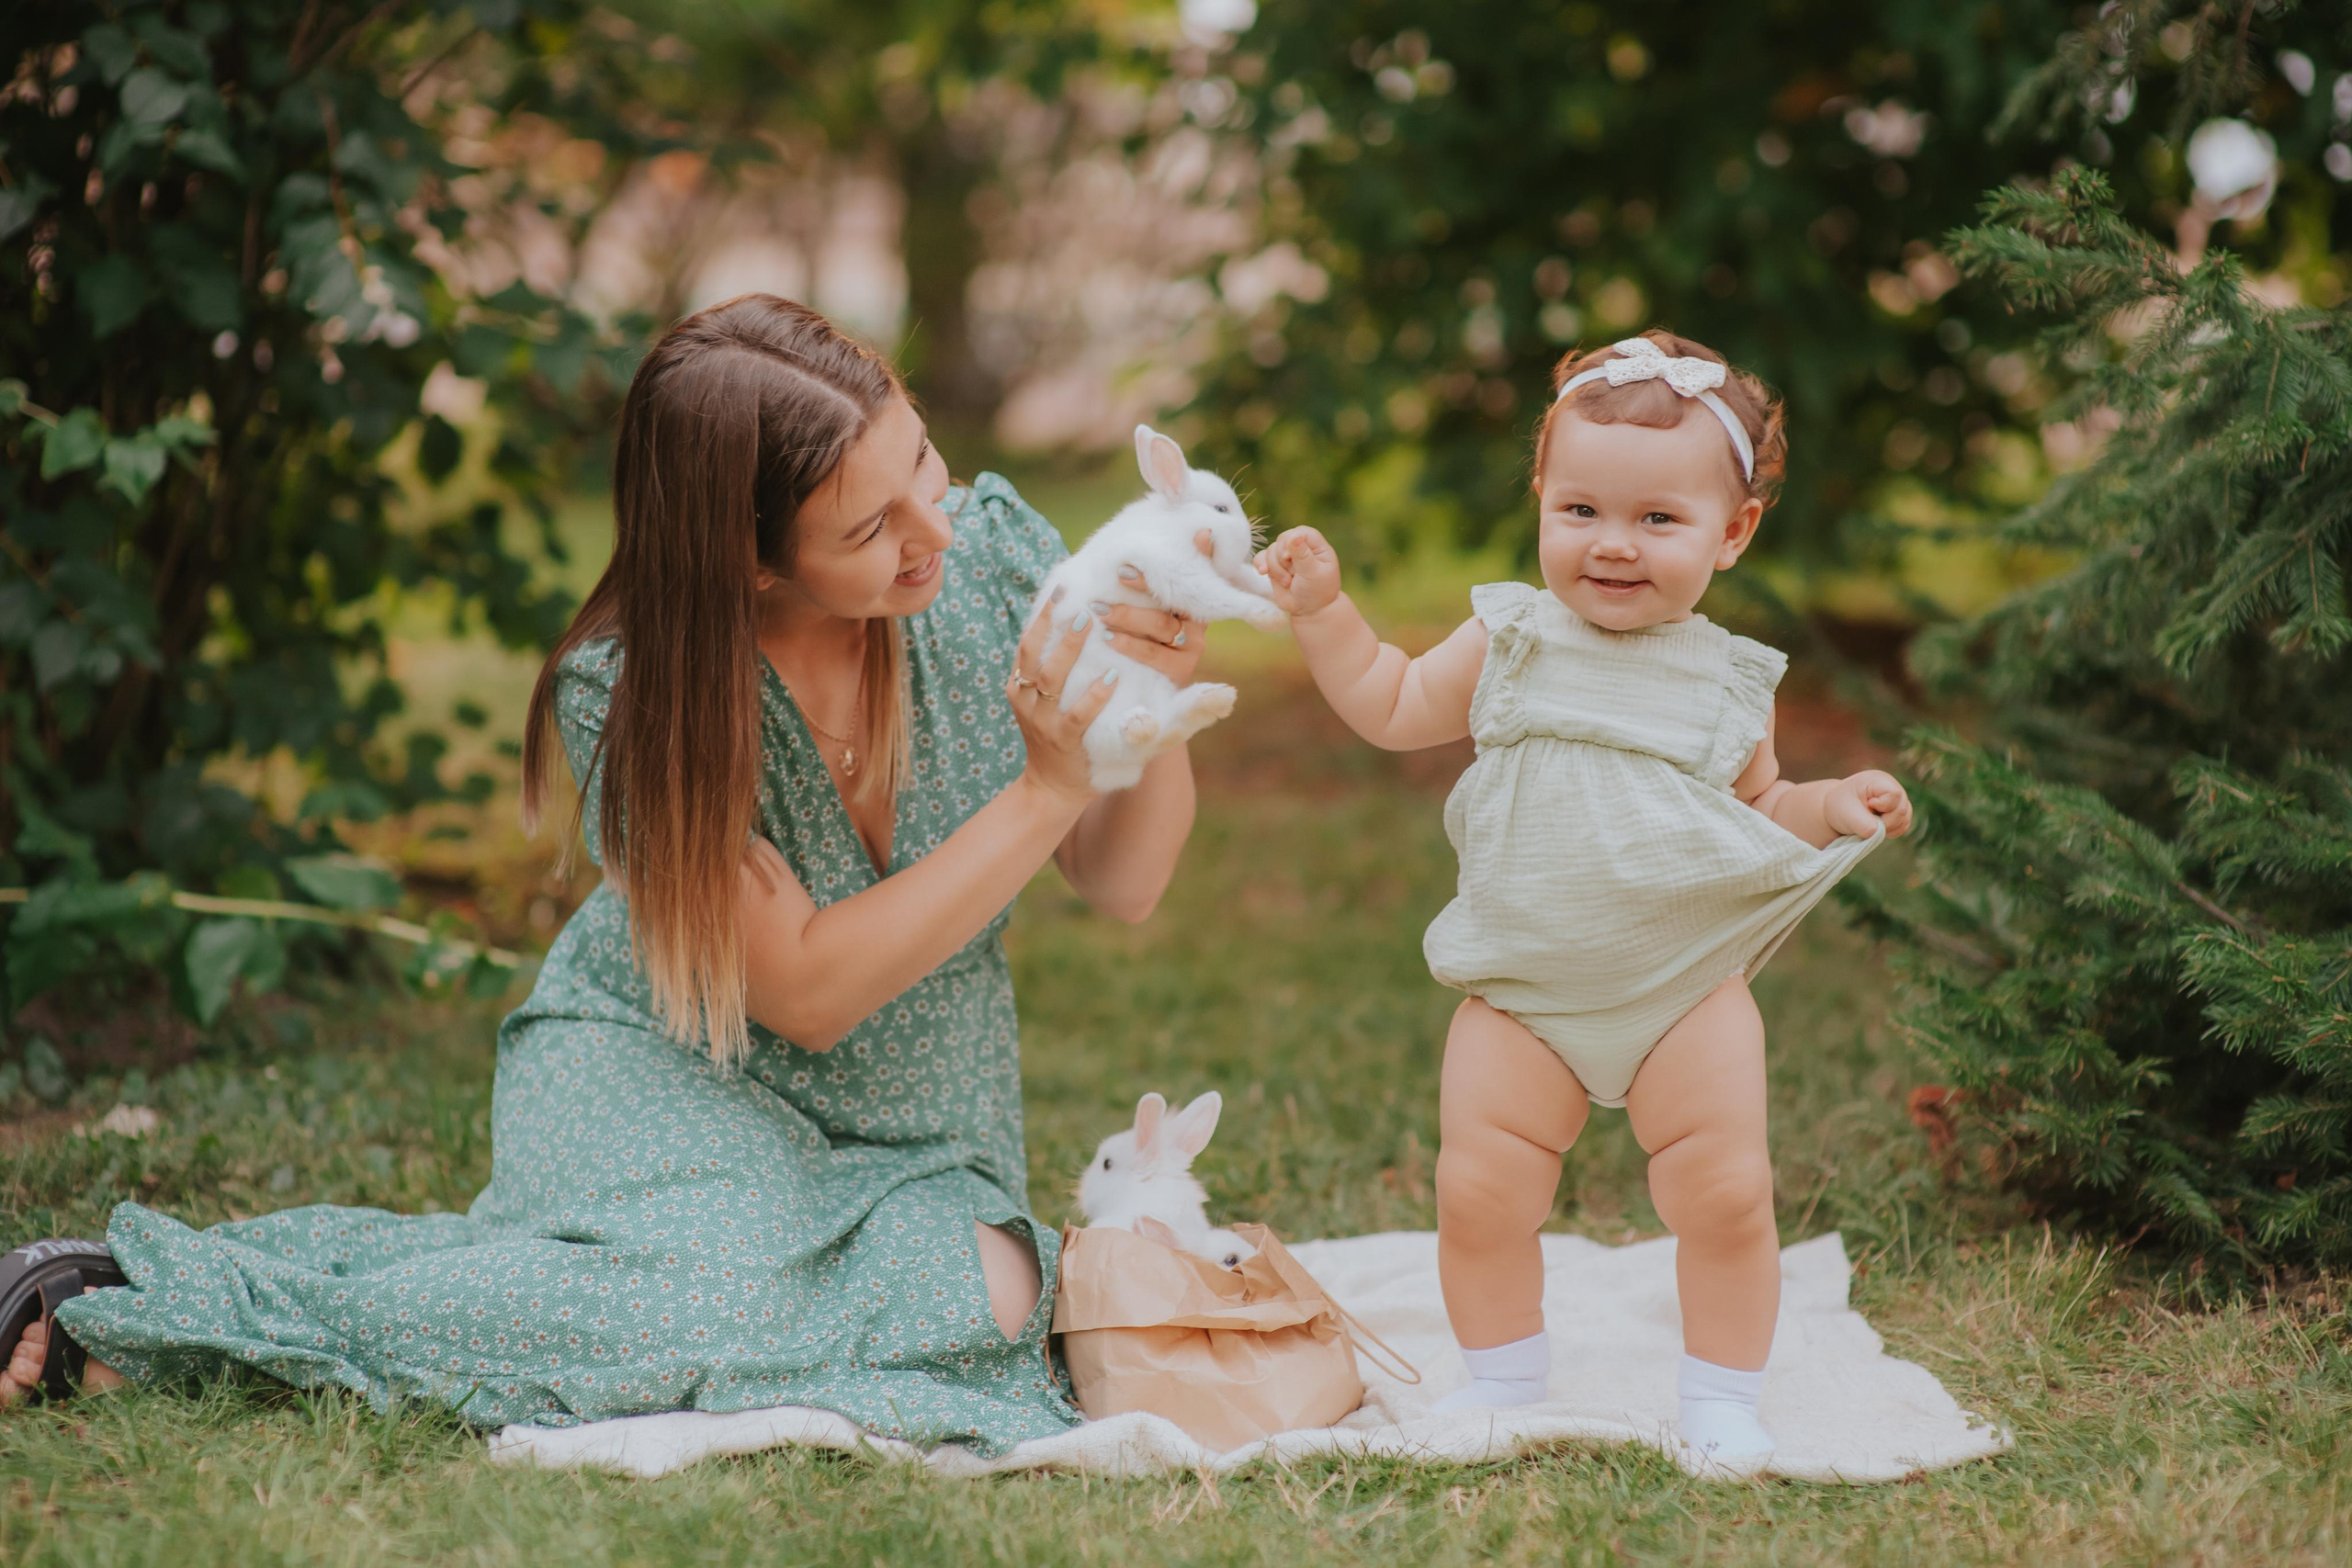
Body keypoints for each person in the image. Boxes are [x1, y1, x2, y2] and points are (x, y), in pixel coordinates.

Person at [1, 295, 1215, 1458]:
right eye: (868, 529)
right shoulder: (637, 694)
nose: (933, 530)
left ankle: (490, 1289)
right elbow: (806, 990)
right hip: (663, 1073)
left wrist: (1147, 703)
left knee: (991, 1294)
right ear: (749, 562)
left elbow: (1124, 881)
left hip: (921, 1120)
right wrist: (1045, 788)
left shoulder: (995, 562)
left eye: (924, 460)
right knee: (713, 1293)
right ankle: (170, 1313)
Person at [1251, 331, 1913, 1474]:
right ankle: (1503, 1376)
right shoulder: (1510, 637)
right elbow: (1391, 700)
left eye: (1657, 519)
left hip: (1681, 994)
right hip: (1523, 992)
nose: (1612, 544)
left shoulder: (1728, 680)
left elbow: (1760, 806)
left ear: (1733, 533)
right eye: (1580, 511)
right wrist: (1324, 615)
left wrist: (1830, 804)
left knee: (1724, 1196)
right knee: (1479, 1190)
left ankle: (1722, 1399)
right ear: (1541, 504)